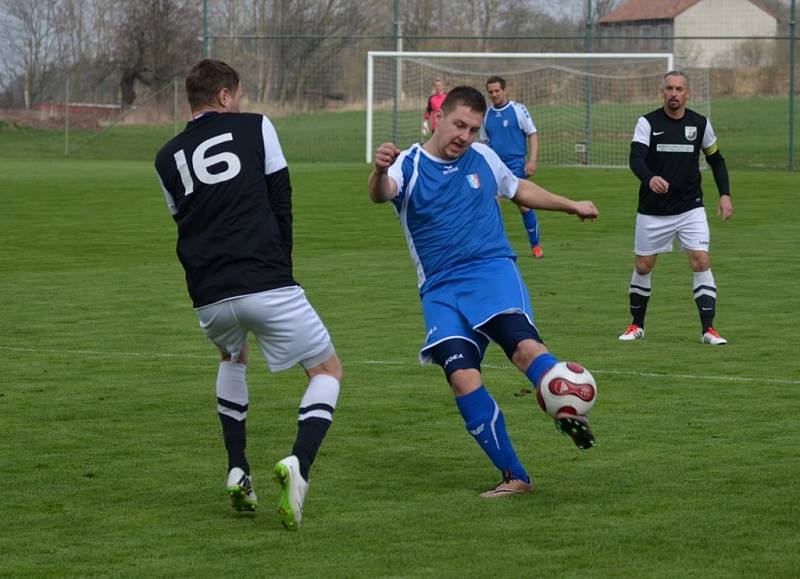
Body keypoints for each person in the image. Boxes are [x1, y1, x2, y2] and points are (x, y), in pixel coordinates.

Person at [369, 86, 599, 498]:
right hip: (439, 288)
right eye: (460, 125)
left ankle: (565, 403)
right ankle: (516, 476)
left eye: (474, 129)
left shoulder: (484, 158)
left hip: (491, 272)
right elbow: (383, 193)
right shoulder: (409, 163)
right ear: (438, 118)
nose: (465, 136)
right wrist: (378, 172)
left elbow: (519, 190)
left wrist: (570, 204)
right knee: (462, 378)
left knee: (525, 350)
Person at [154, 59, 343, 530]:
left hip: (208, 291)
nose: (238, 103)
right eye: (234, 95)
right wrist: (282, 267)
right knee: (327, 370)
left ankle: (238, 467)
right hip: (265, 277)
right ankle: (299, 463)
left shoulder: (164, 158)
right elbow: (282, 198)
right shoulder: (256, 126)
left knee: (232, 360)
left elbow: (185, 219)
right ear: (223, 97)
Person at [619, 70, 734, 345]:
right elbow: (636, 159)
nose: (673, 94)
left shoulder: (700, 124)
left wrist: (725, 195)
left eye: (679, 89)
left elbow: (716, 160)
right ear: (662, 92)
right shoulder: (647, 123)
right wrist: (650, 178)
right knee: (644, 266)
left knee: (701, 260)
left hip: (690, 208)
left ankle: (709, 330)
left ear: (687, 93)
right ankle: (637, 326)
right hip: (652, 209)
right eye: (669, 88)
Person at [481, 75, 543, 258]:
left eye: (497, 91)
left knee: (524, 206)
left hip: (516, 166)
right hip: (494, 168)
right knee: (491, 207)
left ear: (504, 90)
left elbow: (532, 133)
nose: (494, 95)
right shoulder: (486, 116)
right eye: (490, 92)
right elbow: (484, 143)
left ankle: (536, 246)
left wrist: (532, 160)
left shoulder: (518, 110)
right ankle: (493, 248)